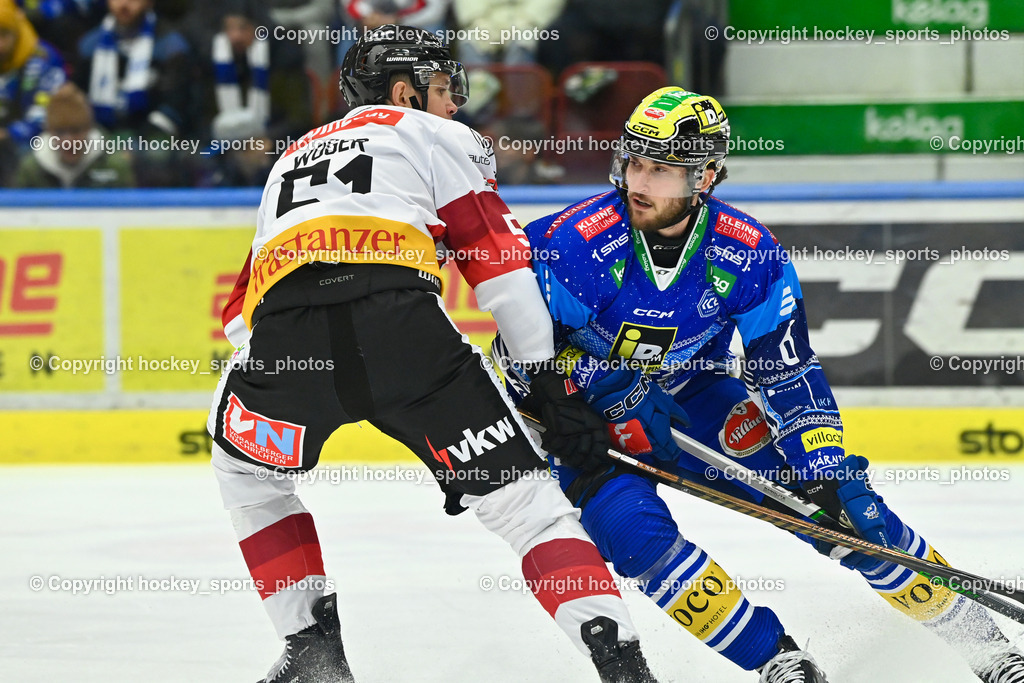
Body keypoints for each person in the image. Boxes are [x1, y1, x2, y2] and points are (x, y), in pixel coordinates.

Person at [495, 86, 1024, 683]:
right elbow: (517, 357)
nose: (639, 181)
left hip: (695, 399)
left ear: (706, 176)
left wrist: (823, 464)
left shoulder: (748, 252)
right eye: (635, 161)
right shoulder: (571, 244)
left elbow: (788, 368)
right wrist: (596, 383)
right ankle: (779, 662)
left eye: (661, 168)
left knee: (853, 518)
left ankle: (991, 651)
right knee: (636, 541)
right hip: (589, 424)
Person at [208, 24, 658, 683]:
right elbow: (502, 271)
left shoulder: (289, 158)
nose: (455, 104)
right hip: (404, 330)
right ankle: (622, 665)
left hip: (284, 341)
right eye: (445, 89)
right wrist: (548, 388)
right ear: (403, 91)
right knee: (526, 505)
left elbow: (238, 313)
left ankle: (311, 650)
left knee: (246, 473)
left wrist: (295, 379)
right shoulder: (436, 134)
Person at [12, 81, 134, 188]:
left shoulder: (114, 166)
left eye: (76, 131)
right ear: (49, 131)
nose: (69, 141)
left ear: (89, 129)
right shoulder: (32, 170)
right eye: (60, 132)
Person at [0, 0, 66, 184]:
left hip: (29, 140)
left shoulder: (43, 59)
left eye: (4, 34)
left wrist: (10, 134)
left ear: (16, 30)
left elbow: (48, 111)